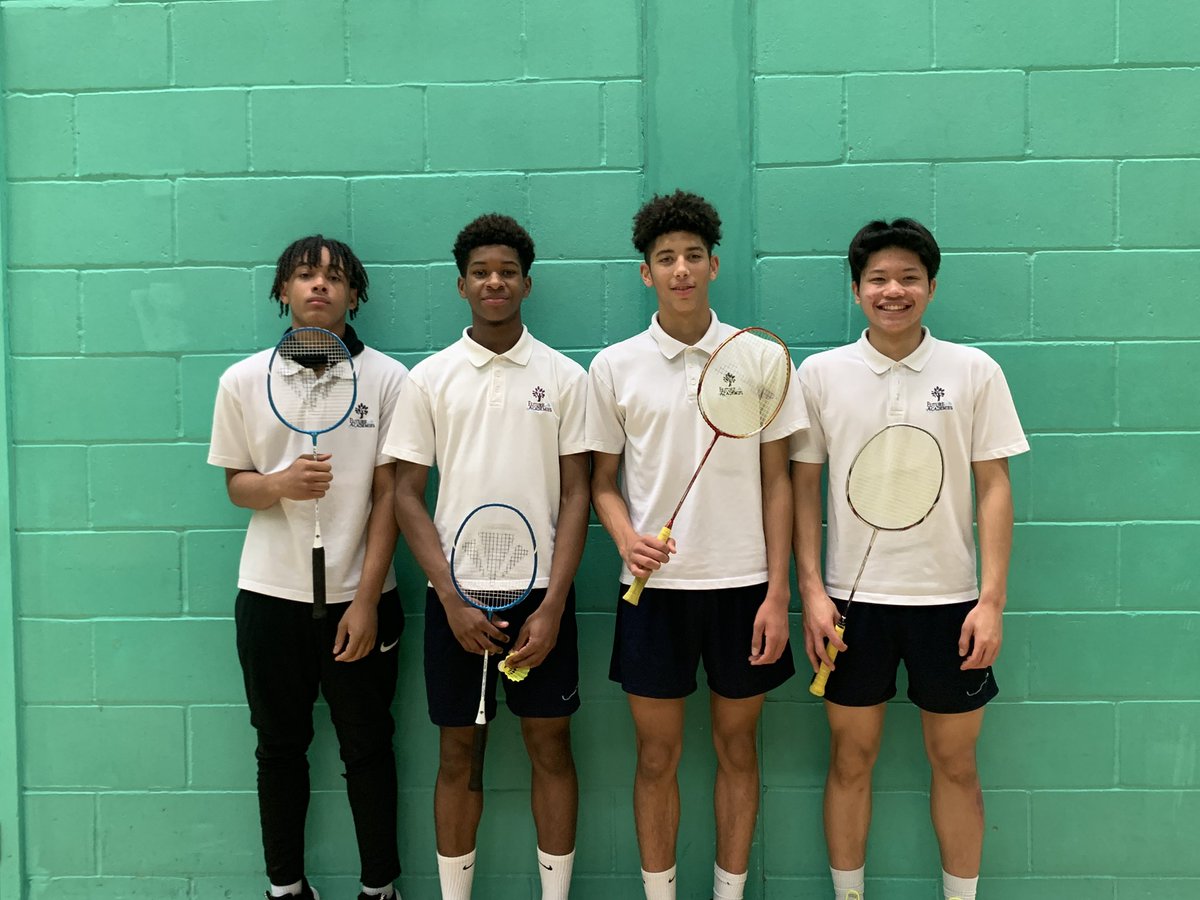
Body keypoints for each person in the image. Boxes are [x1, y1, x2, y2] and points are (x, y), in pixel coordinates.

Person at [792, 218, 1029, 900]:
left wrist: (991, 601)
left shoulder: (973, 370)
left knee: (955, 764)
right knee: (851, 758)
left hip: (949, 605)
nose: (893, 291)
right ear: (856, 288)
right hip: (849, 607)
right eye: (878, 279)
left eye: (908, 279)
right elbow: (803, 487)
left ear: (930, 286)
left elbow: (994, 486)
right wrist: (810, 592)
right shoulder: (821, 375)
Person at [586, 189, 808, 900]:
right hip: (653, 596)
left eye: (692, 257)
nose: (680, 269)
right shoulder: (614, 366)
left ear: (714, 265)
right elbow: (601, 483)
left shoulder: (762, 361)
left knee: (738, 750)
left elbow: (779, 482)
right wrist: (627, 540)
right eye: (664, 259)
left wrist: (778, 593)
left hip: (745, 591)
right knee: (656, 756)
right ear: (645, 274)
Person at [385, 213, 588, 900]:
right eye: (481, 272)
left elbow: (577, 495)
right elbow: (406, 494)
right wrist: (448, 597)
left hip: (539, 599)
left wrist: (554, 605)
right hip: (458, 601)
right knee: (456, 755)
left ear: (526, 283)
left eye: (506, 270)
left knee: (551, 750)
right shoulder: (429, 380)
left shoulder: (563, 378)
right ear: (461, 285)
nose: (494, 281)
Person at [208, 236, 408, 900]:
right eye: (304, 275)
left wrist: (368, 599)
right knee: (278, 748)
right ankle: (285, 887)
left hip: (361, 601)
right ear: (283, 293)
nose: (319, 285)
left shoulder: (390, 381)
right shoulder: (241, 381)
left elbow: (391, 496)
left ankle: (380, 887)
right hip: (270, 599)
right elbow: (237, 485)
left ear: (356, 295)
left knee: (369, 749)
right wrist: (281, 484)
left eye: (334, 277)